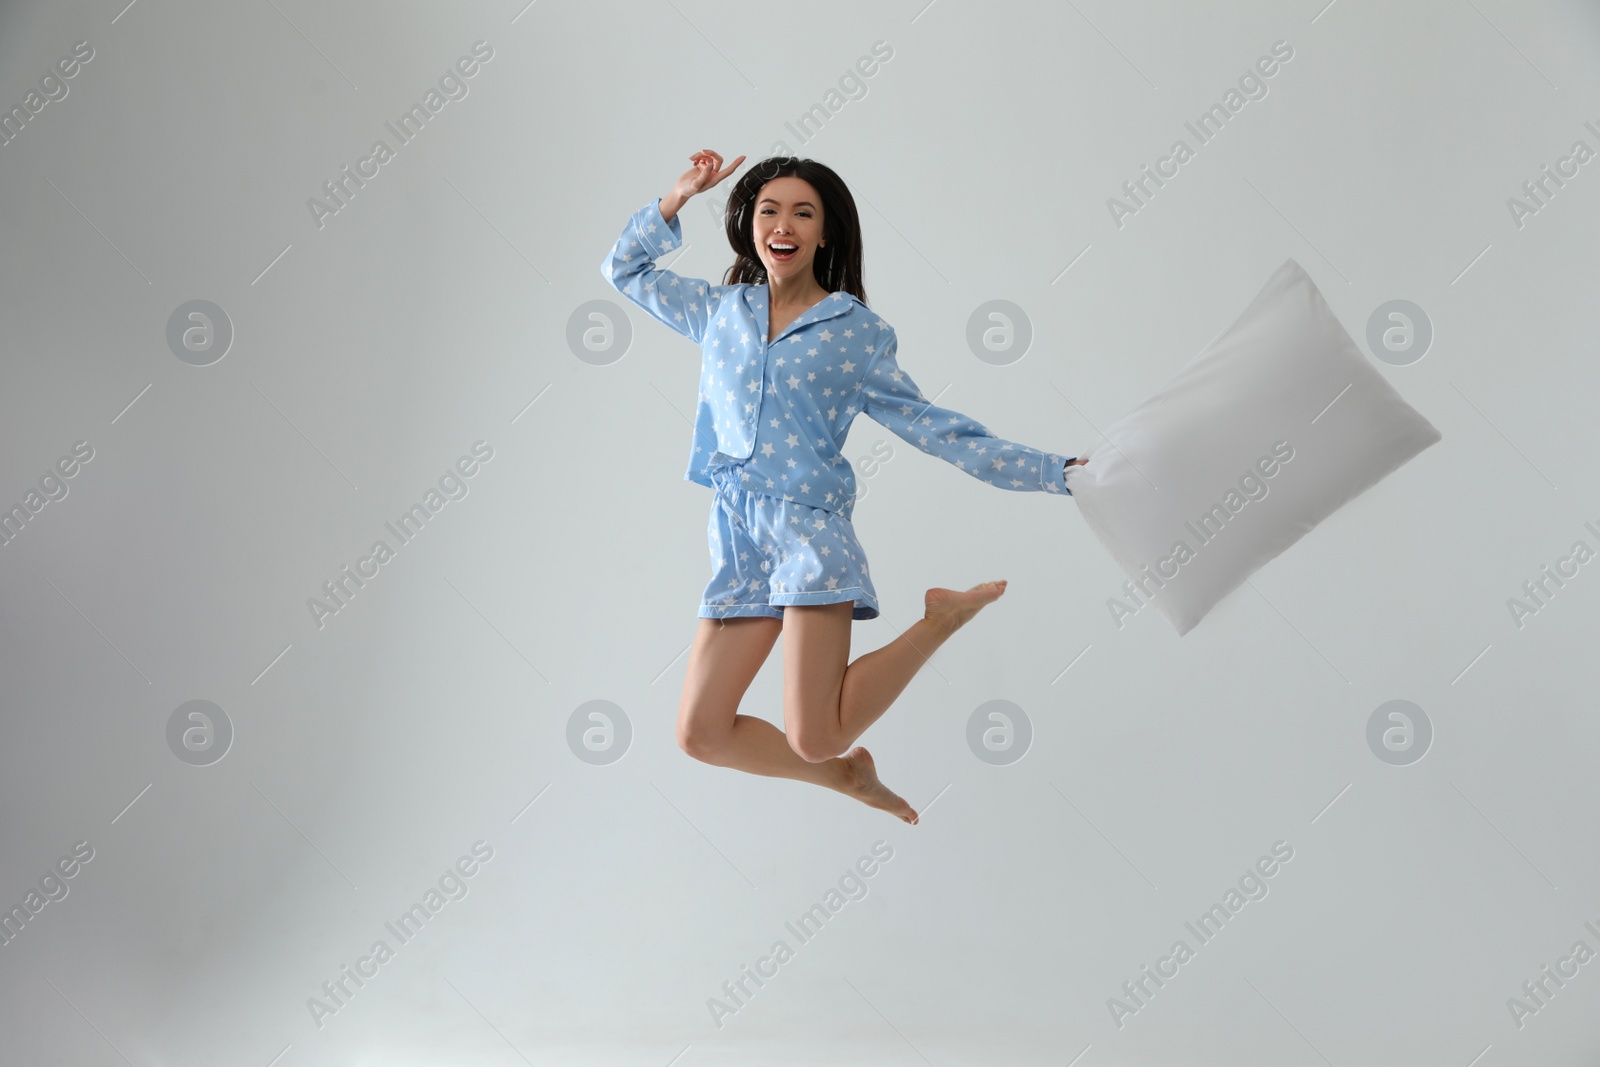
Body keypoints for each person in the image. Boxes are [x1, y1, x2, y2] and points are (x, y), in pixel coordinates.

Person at [601, 150, 1086, 824]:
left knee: (817, 731)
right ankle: (846, 780)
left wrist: (1054, 471)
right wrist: (677, 197)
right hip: (737, 536)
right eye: (769, 210)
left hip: (808, 534)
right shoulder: (719, 312)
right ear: (748, 225)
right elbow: (624, 269)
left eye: (804, 212)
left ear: (824, 233)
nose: (785, 223)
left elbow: (936, 428)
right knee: (701, 732)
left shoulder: (855, 335)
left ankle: (940, 619)